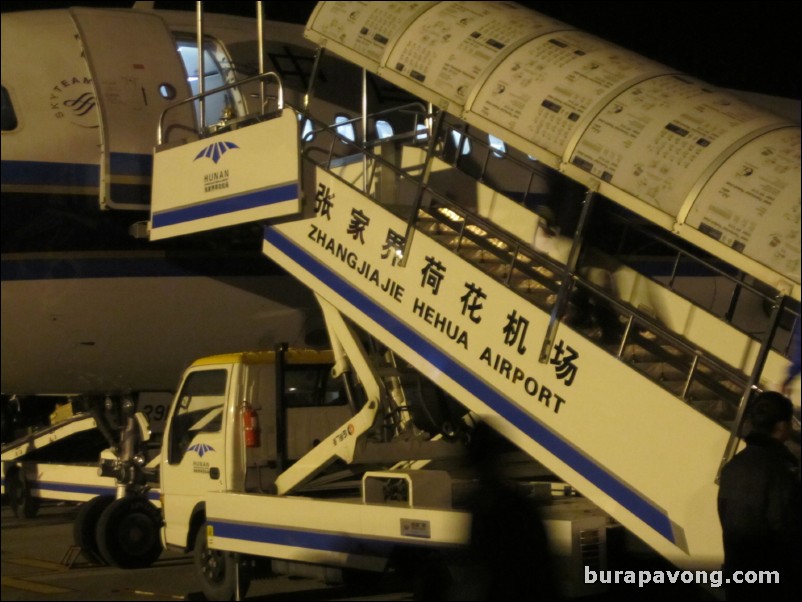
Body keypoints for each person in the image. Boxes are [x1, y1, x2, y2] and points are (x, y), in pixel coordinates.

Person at [717, 391, 801, 601]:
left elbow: (725, 516)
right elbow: (787, 527)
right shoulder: (780, 470)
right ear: (782, 427)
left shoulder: (732, 467)